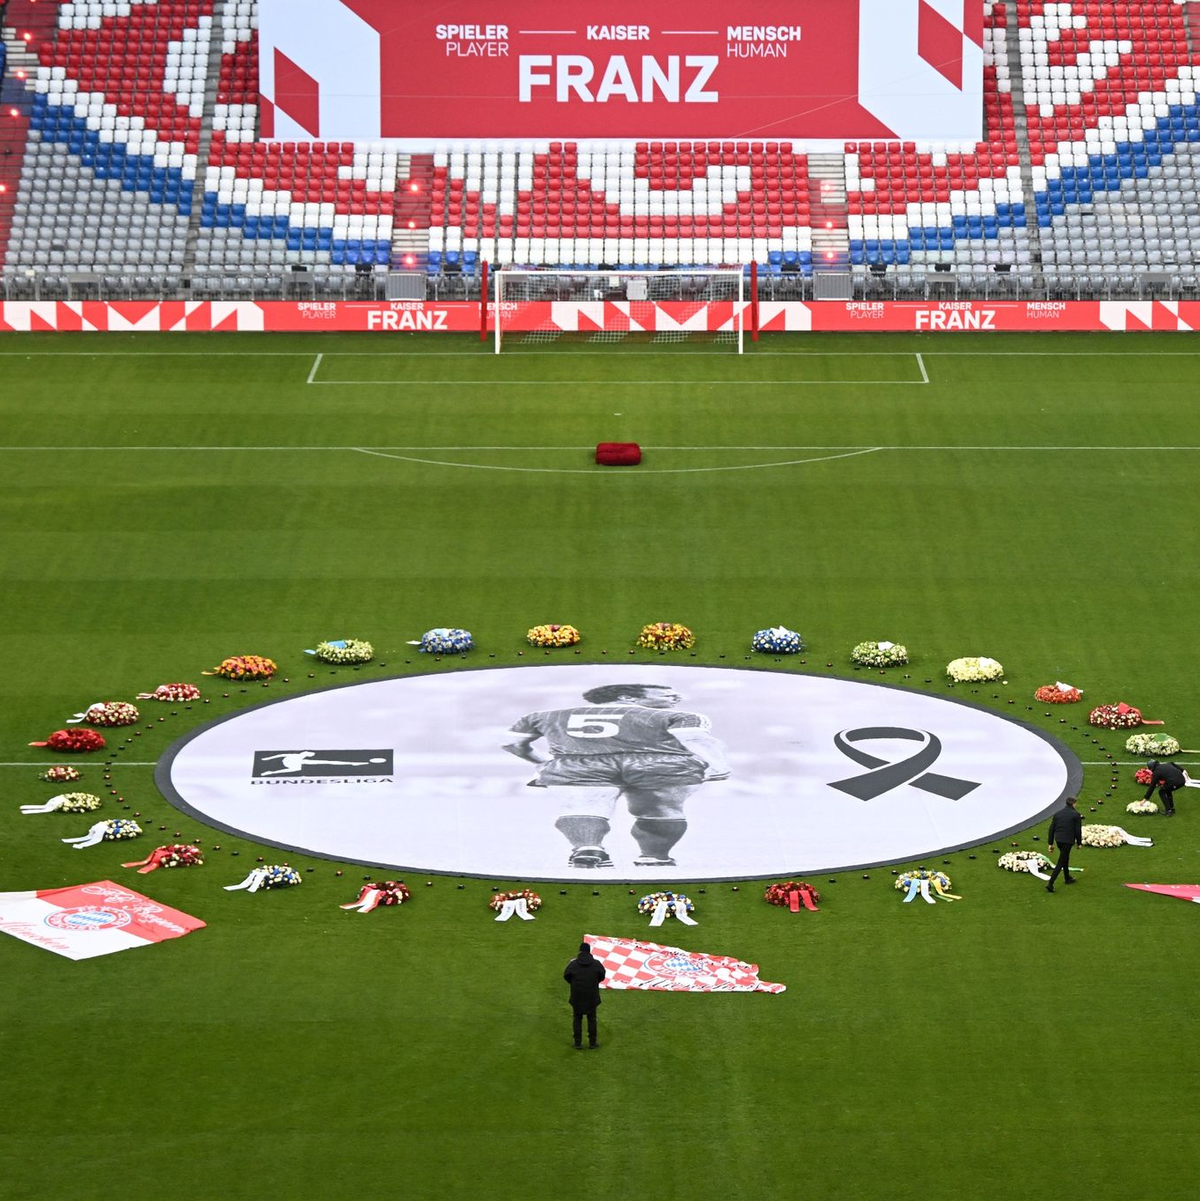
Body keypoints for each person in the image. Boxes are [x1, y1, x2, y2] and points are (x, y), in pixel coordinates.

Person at [502, 682, 730, 869]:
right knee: (661, 809)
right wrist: (718, 765)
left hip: (580, 763)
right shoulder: (683, 716)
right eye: (667, 694)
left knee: (583, 807)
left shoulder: (543, 716)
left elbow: (511, 744)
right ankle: (654, 856)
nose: (676, 698)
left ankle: (588, 848)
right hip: (659, 764)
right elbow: (695, 739)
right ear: (626, 697)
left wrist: (542, 762)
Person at [563, 941, 606, 1049]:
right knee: (592, 1019)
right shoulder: (596, 964)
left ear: (580, 951)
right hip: (592, 996)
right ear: (589, 952)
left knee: (577, 1018)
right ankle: (592, 1042)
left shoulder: (573, 964)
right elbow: (602, 976)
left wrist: (573, 983)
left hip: (577, 996)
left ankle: (577, 1043)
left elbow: (566, 975)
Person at [1045, 796, 1083, 892]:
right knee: (1061, 861)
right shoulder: (1076, 815)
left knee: (1065, 857)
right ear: (1074, 804)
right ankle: (1050, 883)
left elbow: (1051, 829)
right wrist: (1079, 843)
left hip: (1059, 840)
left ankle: (1067, 878)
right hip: (1068, 841)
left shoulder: (1058, 814)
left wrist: (1050, 843)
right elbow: (1077, 830)